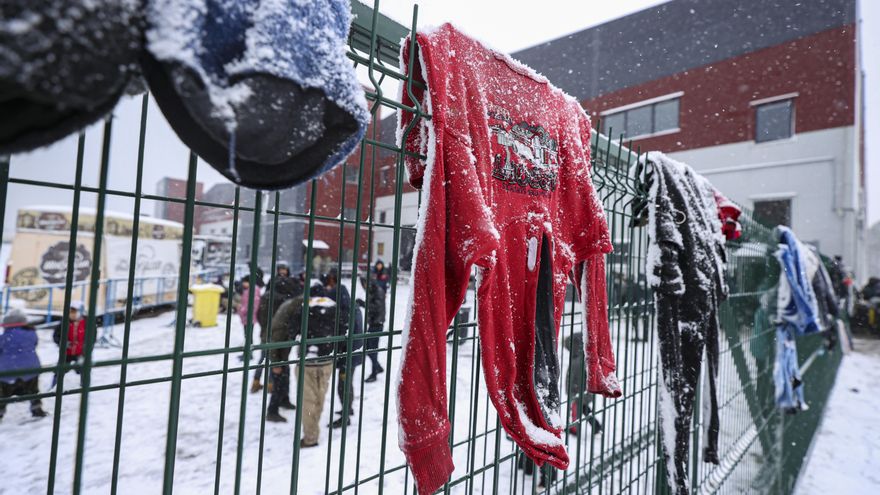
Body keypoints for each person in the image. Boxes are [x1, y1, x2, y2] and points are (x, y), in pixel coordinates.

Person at [268, 291, 339, 448]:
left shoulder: (301, 308)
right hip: (327, 360)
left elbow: (291, 331)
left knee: (307, 401)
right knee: (320, 396)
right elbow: (342, 329)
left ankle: (310, 437)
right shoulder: (333, 307)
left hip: (307, 361)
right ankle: (314, 425)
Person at [322, 268, 363, 429]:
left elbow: (346, 333)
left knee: (343, 385)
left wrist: (341, 351)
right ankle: (349, 409)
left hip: (349, 353)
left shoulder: (346, 312)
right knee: (346, 384)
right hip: (352, 351)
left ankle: (345, 416)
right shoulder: (350, 305)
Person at [252, 262, 301, 394]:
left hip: (269, 328)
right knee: (273, 357)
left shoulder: (268, 295)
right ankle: (268, 383)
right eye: (281, 269)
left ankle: (260, 382)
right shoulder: (287, 298)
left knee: (265, 356)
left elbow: (259, 313)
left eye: (284, 269)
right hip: (276, 329)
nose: (283, 272)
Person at [0, 308, 48, 420]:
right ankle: (37, 409)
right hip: (31, 368)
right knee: (33, 391)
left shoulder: (4, 338)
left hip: (7, 371)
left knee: (3, 394)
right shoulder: (32, 334)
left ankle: (0, 412)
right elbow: (34, 344)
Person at [563, 332, 603, 436]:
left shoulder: (581, 360)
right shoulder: (579, 356)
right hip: (580, 391)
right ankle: (596, 426)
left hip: (580, 391)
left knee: (576, 410)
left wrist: (574, 389)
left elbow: (578, 377)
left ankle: (574, 429)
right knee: (584, 409)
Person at [52, 302, 86, 388]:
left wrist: (86, 347)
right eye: (70, 313)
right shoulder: (64, 323)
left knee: (84, 369)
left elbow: (92, 337)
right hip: (66, 352)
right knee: (60, 370)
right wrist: (62, 343)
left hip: (80, 352)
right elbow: (56, 336)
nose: (72, 315)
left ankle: (84, 385)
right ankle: (54, 386)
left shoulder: (86, 323)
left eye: (74, 312)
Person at [359, 274, 386, 383]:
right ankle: (378, 367)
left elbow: (377, 307)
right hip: (373, 323)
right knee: (368, 348)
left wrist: (363, 303)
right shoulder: (372, 290)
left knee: (372, 350)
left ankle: (374, 373)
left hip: (377, 324)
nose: (363, 286)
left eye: (364, 283)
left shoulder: (377, 291)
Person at [237, 275, 261, 361]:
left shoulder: (253, 290)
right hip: (246, 316)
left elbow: (254, 304)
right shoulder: (249, 290)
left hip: (249, 316)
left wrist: (242, 309)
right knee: (247, 335)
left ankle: (248, 354)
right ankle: (247, 353)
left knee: (248, 336)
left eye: (245, 282)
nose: (243, 284)